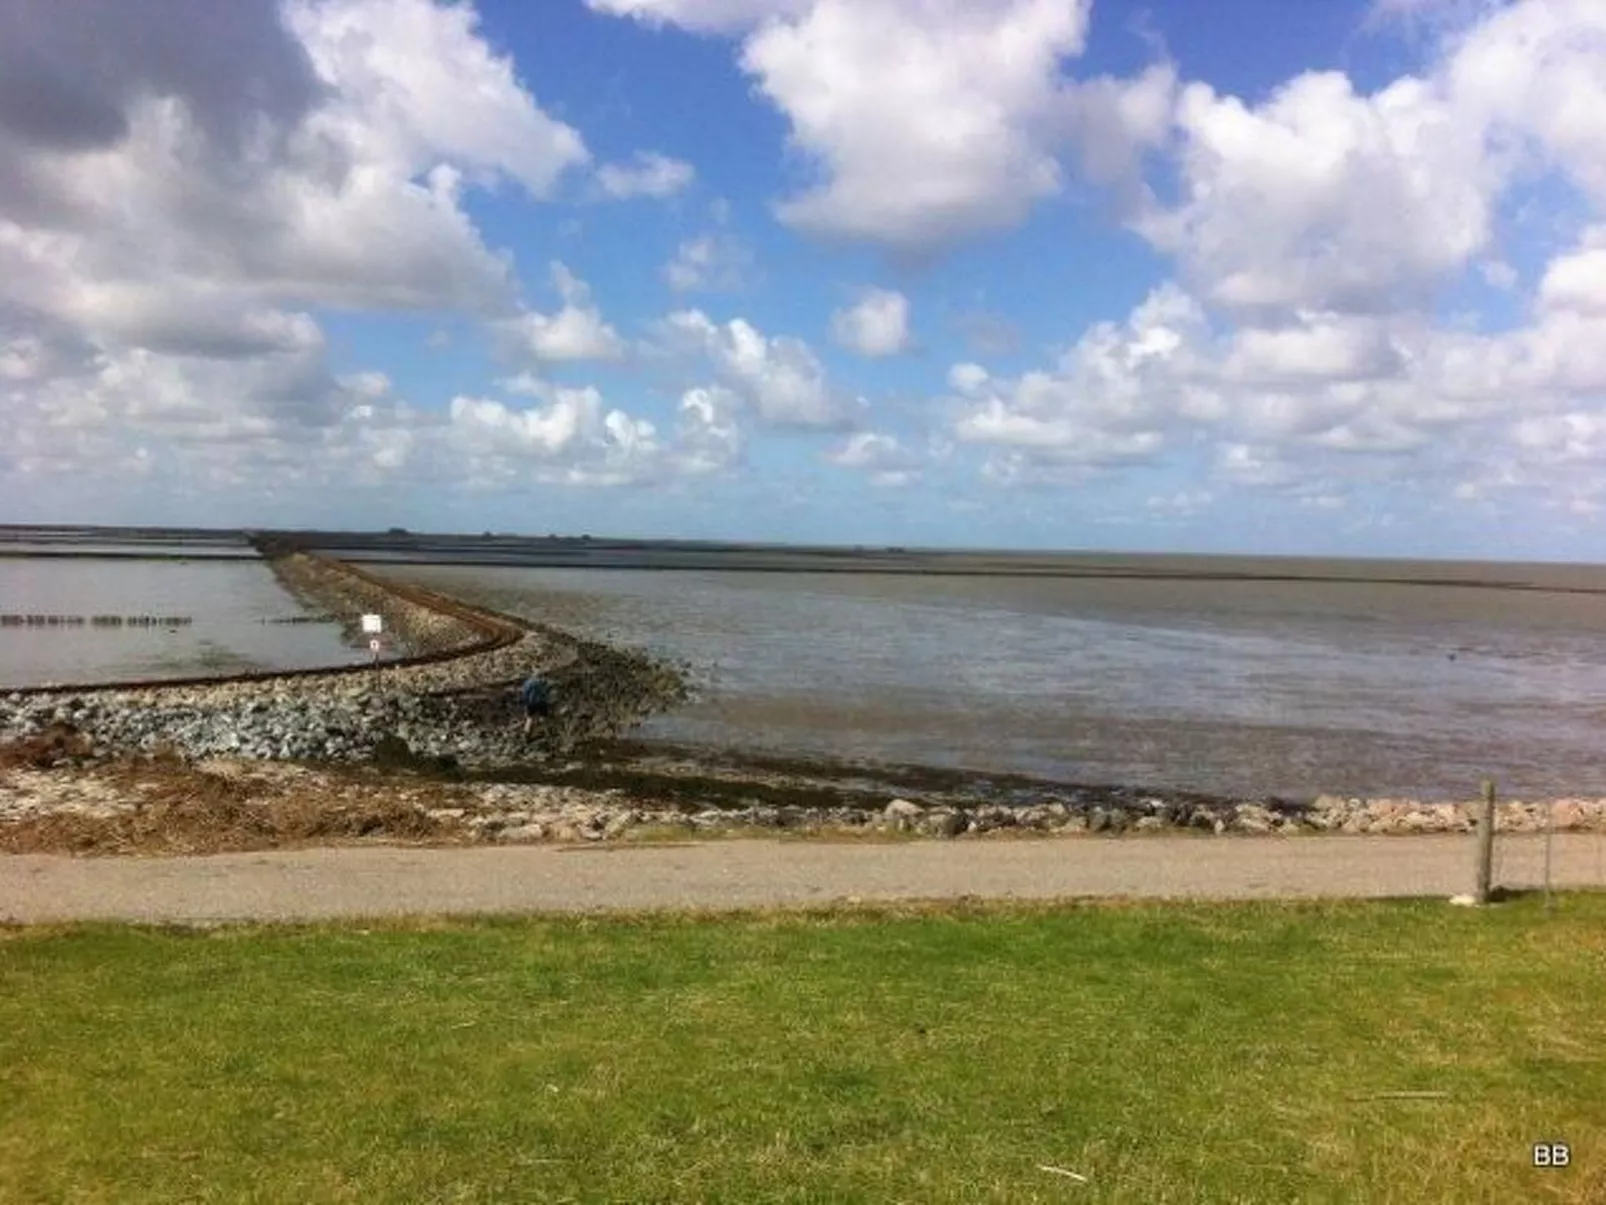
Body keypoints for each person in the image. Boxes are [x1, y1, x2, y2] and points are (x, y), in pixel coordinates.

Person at [519, 673, 554, 738]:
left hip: (530, 702)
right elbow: (544, 692)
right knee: (543, 716)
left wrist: (525, 702)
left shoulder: (527, 683)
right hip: (541, 701)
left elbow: (524, 693)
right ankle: (547, 732)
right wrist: (547, 699)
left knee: (530, 717)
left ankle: (526, 733)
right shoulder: (540, 683)